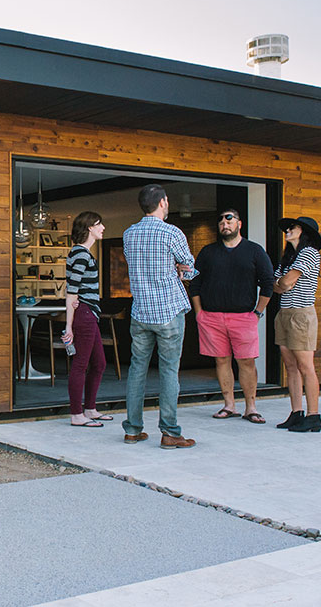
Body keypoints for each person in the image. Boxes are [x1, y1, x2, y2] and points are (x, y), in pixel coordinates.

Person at [121, 184, 197, 449]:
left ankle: (132, 429)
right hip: (168, 311)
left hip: (141, 311)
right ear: (163, 202)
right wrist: (179, 271)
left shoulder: (129, 234)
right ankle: (170, 431)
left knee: (137, 369)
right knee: (168, 370)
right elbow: (188, 270)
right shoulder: (171, 233)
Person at [189, 209, 276, 424]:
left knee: (246, 362)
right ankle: (229, 405)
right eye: (220, 220)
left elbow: (268, 284)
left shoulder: (254, 251)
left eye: (229, 219)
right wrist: (199, 312)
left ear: (239, 224)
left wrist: (257, 312)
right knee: (221, 360)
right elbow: (195, 283)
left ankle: (251, 408)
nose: (224, 223)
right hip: (211, 317)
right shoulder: (208, 252)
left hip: (243, 316)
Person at [273, 216, 321, 433]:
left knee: (305, 366)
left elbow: (283, 282)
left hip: (301, 315)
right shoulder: (289, 257)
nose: (287, 231)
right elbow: (275, 286)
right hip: (284, 313)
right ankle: (296, 412)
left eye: (291, 228)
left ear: (303, 231)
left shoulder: (310, 253)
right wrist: (284, 283)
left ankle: (314, 416)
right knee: (290, 366)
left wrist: (285, 283)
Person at [61, 211, 111, 427]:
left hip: (89, 313)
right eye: (99, 224)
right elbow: (72, 291)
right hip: (85, 314)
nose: (103, 228)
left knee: (99, 363)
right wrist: (68, 326)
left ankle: (90, 409)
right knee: (81, 364)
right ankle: (76, 415)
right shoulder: (81, 254)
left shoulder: (81, 253)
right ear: (90, 227)